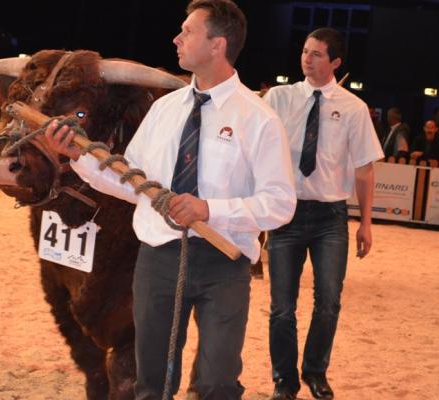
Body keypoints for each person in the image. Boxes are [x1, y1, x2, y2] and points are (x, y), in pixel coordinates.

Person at [43, 1, 296, 398]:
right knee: (152, 383)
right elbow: (131, 181)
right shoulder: (164, 109)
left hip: (224, 263)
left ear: (218, 44)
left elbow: (280, 203)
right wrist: (79, 158)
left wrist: (210, 210)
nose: (176, 38)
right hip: (157, 259)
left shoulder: (259, 119)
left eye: (188, 31)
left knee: (216, 383)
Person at [263, 28, 384, 400]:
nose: (307, 59)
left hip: (332, 217)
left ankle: (315, 372)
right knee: (282, 307)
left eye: (316, 54)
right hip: (286, 213)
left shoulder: (353, 108)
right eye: (304, 51)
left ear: (335, 62)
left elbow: (364, 169)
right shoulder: (278, 99)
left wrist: (365, 222)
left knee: (328, 301)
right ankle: (285, 380)